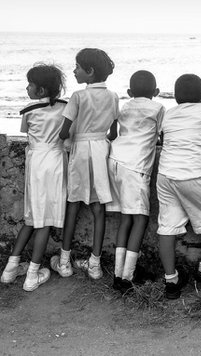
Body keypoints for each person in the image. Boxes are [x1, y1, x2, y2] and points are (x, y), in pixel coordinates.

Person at [50, 48, 119, 280]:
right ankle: (95, 264)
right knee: (99, 208)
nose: (74, 70)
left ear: (89, 72)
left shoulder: (78, 97)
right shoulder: (114, 97)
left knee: (73, 204)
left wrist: (68, 140)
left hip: (80, 151)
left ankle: (64, 261)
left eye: (77, 67)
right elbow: (113, 132)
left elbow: (63, 132)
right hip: (101, 150)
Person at [157, 74, 201, 299]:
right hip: (194, 175)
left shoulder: (168, 114)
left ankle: (171, 281)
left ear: (175, 97)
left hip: (166, 174)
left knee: (167, 227)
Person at [0, 64, 67, 291]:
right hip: (56, 162)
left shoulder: (28, 111)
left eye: (30, 84)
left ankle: (11, 268)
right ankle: (32, 273)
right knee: (45, 220)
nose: (27, 87)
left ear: (40, 90)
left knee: (31, 217)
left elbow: (28, 133)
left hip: (36, 163)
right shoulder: (65, 109)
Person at [106, 70, 165, 293]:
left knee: (126, 219)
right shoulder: (158, 108)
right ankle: (127, 277)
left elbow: (114, 132)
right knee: (140, 219)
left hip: (116, 159)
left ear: (129, 92)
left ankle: (118, 273)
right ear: (157, 92)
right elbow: (163, 135)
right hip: (135, 166)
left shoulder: (126, 106)